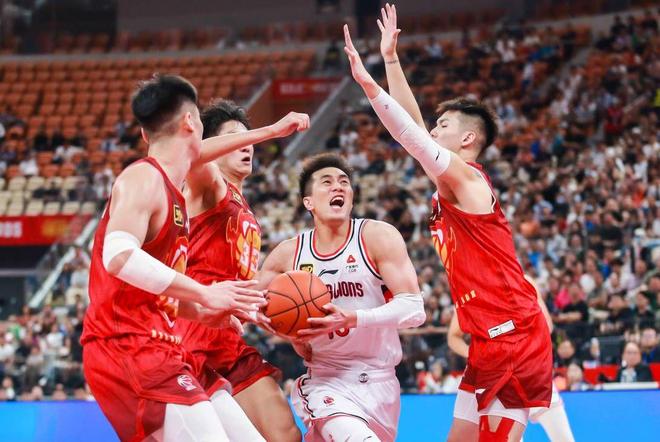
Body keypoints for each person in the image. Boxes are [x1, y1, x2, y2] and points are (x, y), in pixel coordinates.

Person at [345, 6, 553, 440]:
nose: (433, 131)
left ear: (468, 138)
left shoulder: (469, 180)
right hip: (487, 337)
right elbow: (415, 131)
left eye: (442, 125)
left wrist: (369, 85)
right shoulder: (449, 183)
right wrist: (391, 60)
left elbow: (411, 136)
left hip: (512, 334)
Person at [81, 75, 267, 442]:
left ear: (144, 132)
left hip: (163, 345)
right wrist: (205, 293)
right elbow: (118, 255)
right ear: (190, 122)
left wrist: (201, 311)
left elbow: (149, 291)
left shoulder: (174, 195)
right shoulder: (143, 177)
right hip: (127, 344)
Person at [258, 153, 426, 441]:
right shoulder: (289, 253)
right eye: (327, 182)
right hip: (326, 380)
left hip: (382, 381)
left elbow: (414, 309)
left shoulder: (377, 236)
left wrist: (353, 318)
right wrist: (288, 333)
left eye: (344, 182)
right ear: (308, 202)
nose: (338, 186)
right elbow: (251, 305)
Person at [178, 99, 309, 441]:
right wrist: (272, 130)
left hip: (228, 339)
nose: (246, 145)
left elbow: (235, 280)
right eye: (235, 138)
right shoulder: (209, 185)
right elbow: (191, 155)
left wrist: (262, 311)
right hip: (191, 334)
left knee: (286, 434)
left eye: (247, 138)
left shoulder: (243, 204)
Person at [447, 276, 575, 442]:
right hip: (493, 375)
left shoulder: (523, 280)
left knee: (564, 438)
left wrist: (515, 335)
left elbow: (547, 326)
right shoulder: (471, 289)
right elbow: (453, 336)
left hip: (530, 369)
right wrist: (475, 354)